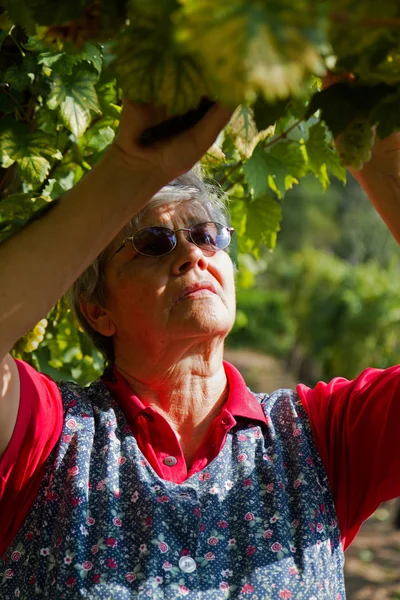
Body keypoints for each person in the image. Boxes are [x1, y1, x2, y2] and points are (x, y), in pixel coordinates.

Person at [0, 99, 399, 600]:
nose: (192, 254)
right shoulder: (48, 437)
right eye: (154, 242)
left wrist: (374, 136)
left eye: (206, 236)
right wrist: (133, 168)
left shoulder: (322, 438)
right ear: (97, 308)